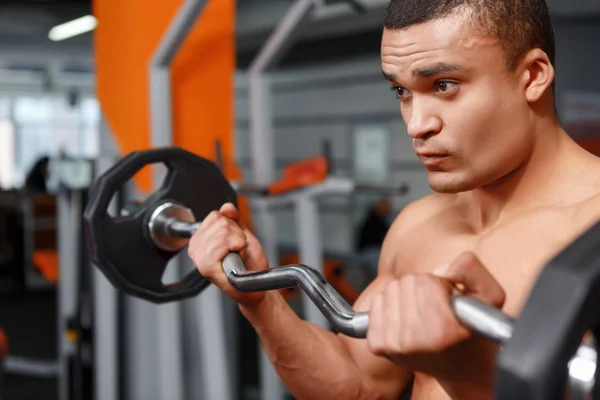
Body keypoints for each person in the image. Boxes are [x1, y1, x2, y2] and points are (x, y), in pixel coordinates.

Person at [188, 0, 600, 398]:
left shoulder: (591, 234)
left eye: (444, 85)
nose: (416, 125)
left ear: (532, 75)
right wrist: (259, 300)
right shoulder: (416, 227)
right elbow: (358, 385)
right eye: (402, 92)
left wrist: (470, 370)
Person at [356, 198, 392, 277]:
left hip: (365, 253)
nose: (388, 211)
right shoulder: (375, 222)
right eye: (386, 208)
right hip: (370, 253)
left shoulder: (373, 220)